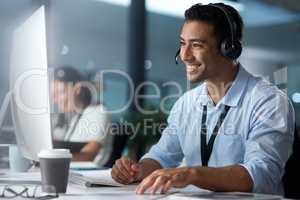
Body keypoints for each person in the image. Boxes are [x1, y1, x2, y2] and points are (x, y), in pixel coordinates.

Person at [111, 3, 295, 195]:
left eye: (197, 45)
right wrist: (137, 170)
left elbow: (260, 175)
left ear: (228, 48)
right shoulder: (186, 103)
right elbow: (162, 156)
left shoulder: (269, 102)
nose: (184, 55)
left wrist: (192, 174)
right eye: (183, 44)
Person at [51, 66, 112, 165]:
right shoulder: (75, 117)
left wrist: (49, 160)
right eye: (53, 95)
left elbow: (89, 155)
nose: (55, 100)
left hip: (91, 175)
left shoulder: (98, 111)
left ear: (77, 89)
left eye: (60, 93)